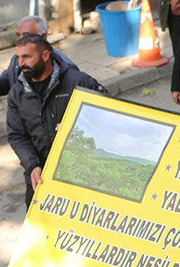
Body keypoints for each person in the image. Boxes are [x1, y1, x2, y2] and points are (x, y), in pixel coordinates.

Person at [6, 33, 106, 208]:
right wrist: (32, 166)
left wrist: (79, 124)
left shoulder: (78, 81)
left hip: (83, 177)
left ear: (45, 55)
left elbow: (110, 111)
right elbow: (17, 136)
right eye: (18, 58)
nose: (20, 64)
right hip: (41, 178)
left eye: (27, 57)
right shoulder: (17, 93)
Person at [0, 16, 77, 97]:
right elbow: (3, 87)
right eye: (18, 35)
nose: (21, 40)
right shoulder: (16, 62)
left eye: (26, 35)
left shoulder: (66, 69)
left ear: (43, 37)